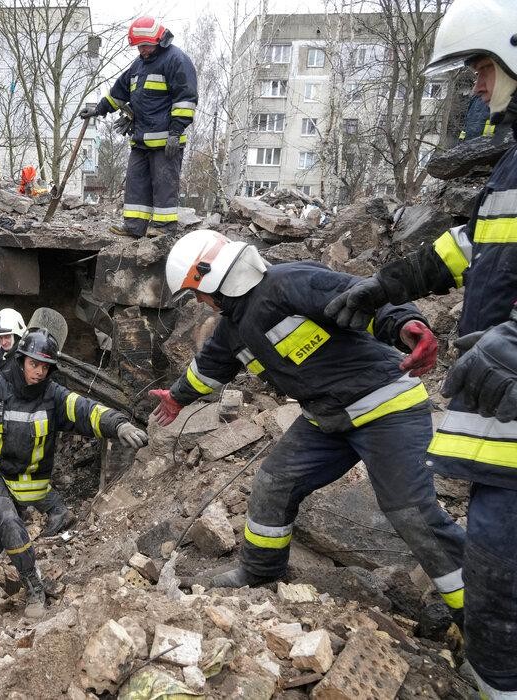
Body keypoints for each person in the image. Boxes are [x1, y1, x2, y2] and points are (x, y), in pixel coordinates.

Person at [322, 2, 516, 693]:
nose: (477, 86)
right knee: (495, 582)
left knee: (503, 588)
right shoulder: (512, 166)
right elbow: (472, 250)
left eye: (484, 67)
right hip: (500, 427)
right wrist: (384, 288)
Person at [152, 230, 467, 615]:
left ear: (212, 277)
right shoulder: (232, 328)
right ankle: (261, 572)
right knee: (274, 482)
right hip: (328, 421)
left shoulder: (291, 282)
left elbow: (363, 298)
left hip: (387, 409)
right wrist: (177, 397)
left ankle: (482, 617)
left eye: (196, 292)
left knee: (409, 511)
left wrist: (405, 324)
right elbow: (208, 370)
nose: (199, 302)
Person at [0, 321, 148, 618]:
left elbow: (86, 410)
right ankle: (33, 587)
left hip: (19, 476)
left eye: (45, 367)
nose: (39, 371)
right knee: (10, 522)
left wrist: (119, 424)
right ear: (21, 359)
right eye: (34, 364)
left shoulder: (53, 396)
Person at [79, 16, 197, 239]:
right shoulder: (138, 65)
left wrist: (175, 133)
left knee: (164, 185)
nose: (140, 50)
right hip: (141, 139)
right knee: (136, 184)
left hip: (166, 141)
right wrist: (98, 110)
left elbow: (186, 99)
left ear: (157, 40)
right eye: (138, 46)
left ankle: (163, 229)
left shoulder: (176, 60)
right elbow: (119, 93)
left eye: (143, 45)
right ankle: (134, 227)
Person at [0, 308, 27, 374]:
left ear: (17, 335)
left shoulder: (25, 356)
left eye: (7, 337)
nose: (3, 342)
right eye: (0, 338)